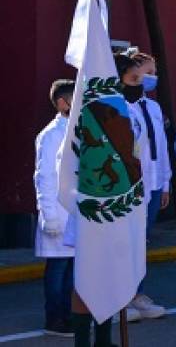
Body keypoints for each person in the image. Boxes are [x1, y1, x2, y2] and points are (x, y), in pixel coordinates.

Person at [117, 50, 169, 320]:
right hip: (130, 187)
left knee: (140, 244)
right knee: (124, 245)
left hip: (154, 184)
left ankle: (136, 294)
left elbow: (160, 147)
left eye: (151, 74)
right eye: (141, 75)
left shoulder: (153, 107)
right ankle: (118, 298)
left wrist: (166, 182)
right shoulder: (121, 108)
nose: (148, 79)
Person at [35, 79, 76, 337]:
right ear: (62, 103)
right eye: (75, 98)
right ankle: (55, 319)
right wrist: (49, 216)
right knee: (58, 269)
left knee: (72, 270)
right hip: (58, 215)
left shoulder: (78, 129)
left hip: (75, 213)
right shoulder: (50, 135)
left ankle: (70, 315)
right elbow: (44, 177)